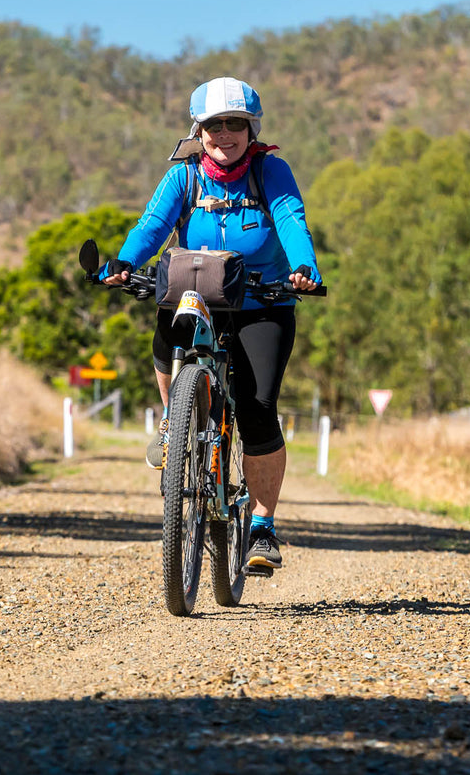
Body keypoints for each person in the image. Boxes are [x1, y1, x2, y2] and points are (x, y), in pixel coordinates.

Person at [101, 77, 321, 576]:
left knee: (257, 408)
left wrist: (304, 267)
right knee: (166, 320)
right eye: (214, 125)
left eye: (235, 124)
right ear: (198, 132)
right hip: (198, 291)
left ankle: (262, 527)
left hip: (262, 299)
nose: (225, 134)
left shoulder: (271, 171)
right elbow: (154, 224)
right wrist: (125, 261)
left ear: (251, 129)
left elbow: (291, 219)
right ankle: (174, 417)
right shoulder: (183, 176)